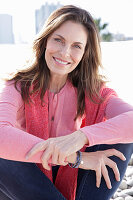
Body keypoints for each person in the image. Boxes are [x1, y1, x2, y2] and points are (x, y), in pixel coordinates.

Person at [0, 5, 133, 200]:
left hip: (72, 181)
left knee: (122, 136)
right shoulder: (17, 86)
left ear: (85, 52)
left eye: (76, 46)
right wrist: (76, 158)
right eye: (58, 40)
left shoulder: (95, 91)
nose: (64, 52)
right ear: (45, 40)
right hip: (26, 180)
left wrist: (82, 137)